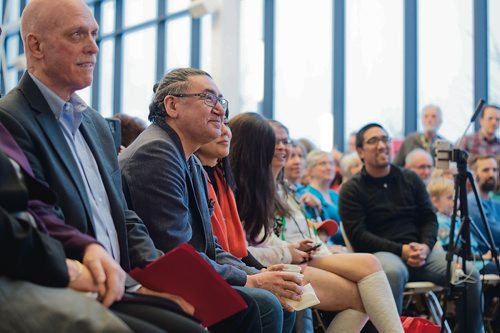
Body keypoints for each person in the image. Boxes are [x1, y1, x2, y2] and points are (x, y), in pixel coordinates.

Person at [0, 1, 217, 332]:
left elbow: (123, 216)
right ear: (35, 46)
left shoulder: (95, 124)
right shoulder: (13, 117)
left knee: (199, 316)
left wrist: (159, 271)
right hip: (74, 278)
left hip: (122, 277)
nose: (93, 47)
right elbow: (40, 213)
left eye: (94, 34)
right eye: (77, 35)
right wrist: (89, 259)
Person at [119, 67, 301, 333]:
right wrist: (252, 282)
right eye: (208, 98)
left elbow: (210, 246)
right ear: (172, 105)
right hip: (153, 276)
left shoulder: (187, 156)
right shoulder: (156, 151)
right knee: (264, 303)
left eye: (221, 101)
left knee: (282, 295)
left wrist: (256, 274)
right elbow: (176, 251)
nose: (220, 111)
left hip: (185, 269)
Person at [230, 113, 403, 333]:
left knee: (369, 268)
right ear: (254, 149)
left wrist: (309, 248)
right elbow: (248, 249)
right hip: (281, 263)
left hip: (300, 254)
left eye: (286, 142)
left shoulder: (280, 189)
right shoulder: (247, 190)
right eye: (275, 142)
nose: (284, 148)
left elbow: (270, 238)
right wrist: (290, 251)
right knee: (364, 286)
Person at [339, 122, 484, 333]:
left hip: (420, 253)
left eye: (385, 139)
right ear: (360, 151)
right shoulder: (352, 189)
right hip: (382, 255)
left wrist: (425, 246)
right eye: (373, 141)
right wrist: (401, 250)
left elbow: (429, 218)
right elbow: (358, 236)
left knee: (469, 275)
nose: (381, 145)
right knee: (392, 272)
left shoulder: (410, 179)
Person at [301, 149, 344, 246]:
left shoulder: (335, 195)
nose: (329, 167)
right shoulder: (307, 196)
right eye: (323, 163)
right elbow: (317, 231)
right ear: (310, 170)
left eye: (332, 163)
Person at [468, 155, 500, 255]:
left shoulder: (495, 203)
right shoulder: (472, 201)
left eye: (495, 170)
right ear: (474, 174)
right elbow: (494, 234)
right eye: (486, 170)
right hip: (484, 259)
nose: (492, 174)